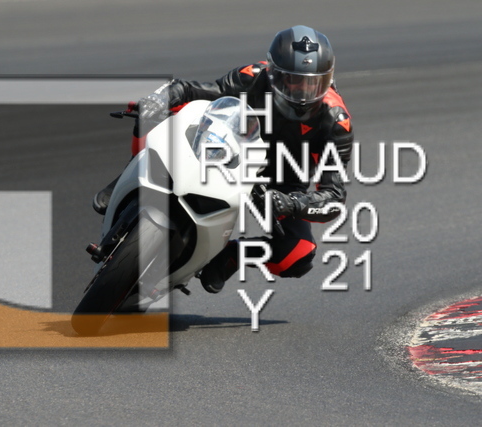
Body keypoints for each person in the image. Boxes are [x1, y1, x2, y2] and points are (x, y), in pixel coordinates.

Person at [93, 25, 353, 294]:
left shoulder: (337, 122)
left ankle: (232, 255)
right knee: (150, 114)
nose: (304, 91)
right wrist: (159, 99)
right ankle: (130, 173)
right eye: (294, 80)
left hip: (282, 182)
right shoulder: (253, 76)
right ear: (273, 73)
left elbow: (334, 197)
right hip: (232, 147)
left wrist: (292, 203)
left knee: (298, 255)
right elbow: (194, 91)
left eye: (314, 83)